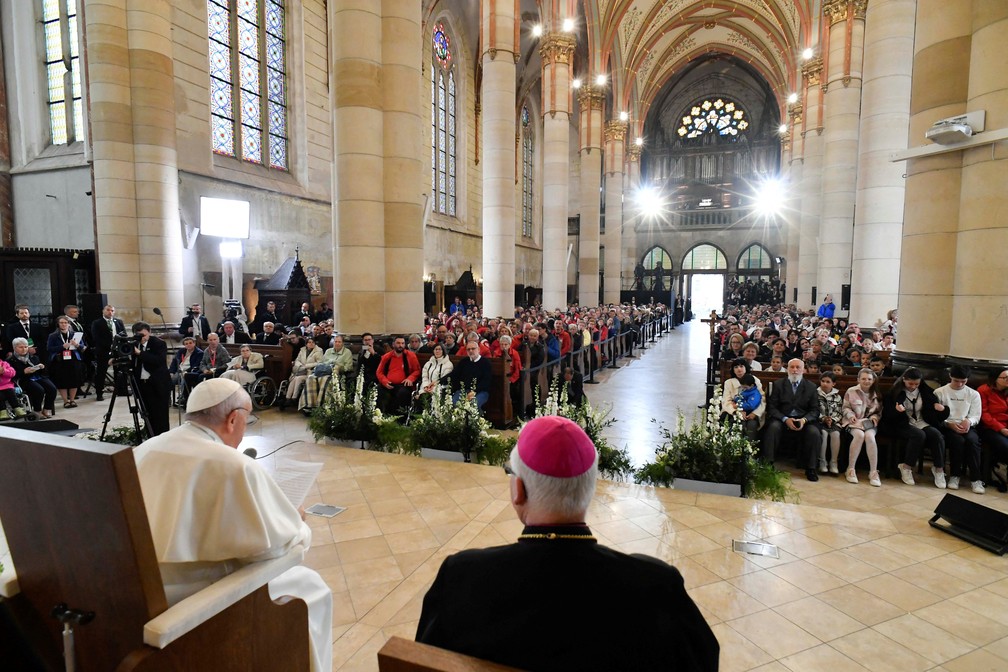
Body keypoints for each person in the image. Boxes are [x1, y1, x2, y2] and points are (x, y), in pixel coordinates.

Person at [415, 415, 719, 671]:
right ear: (590, 489)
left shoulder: (463, 577)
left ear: (518, 490)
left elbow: (424, 661)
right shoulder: (656, 586)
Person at [133, 378, 332, 672]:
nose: (243, 430)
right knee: (311, 586)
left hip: (142, 584)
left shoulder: (148, 448)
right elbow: (275, 550)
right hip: (196, 595)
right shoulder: (232, 464)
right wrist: (295, 520)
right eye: (246, 422)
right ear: (233, 418)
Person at [881, 367, 949, 488]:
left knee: (936, 435)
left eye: (916, 384)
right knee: (918, 435)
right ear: (904, 380)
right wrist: (897, 411)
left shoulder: (926, 392)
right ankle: (906, 467)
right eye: (910, 383)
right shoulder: (894, 393)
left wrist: (943, 409)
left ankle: (939, 469)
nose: (913, 386)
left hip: (921, 421)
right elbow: (887, 416)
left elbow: (938, 415)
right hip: (903, 424)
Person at [763, 358, 821, 481]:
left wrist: (804, 420)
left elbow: (815, 410)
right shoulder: (778, 384)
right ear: (787, 369)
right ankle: (768, 464)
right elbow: (772, 408)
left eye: (798, 367)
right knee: (773, 427)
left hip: (803, 420)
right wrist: (785, 419)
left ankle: (811, 469)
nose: (795, 370)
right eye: (792, 367)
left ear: (803, 370)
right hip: (782, 418)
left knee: (814, 432)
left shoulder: (811, 387)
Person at [935, 365, 985, 493]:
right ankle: (954, 475)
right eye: (956, 380)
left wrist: (968, 421)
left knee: (973, 442)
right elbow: (936, 416)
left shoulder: (973, 394)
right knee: (957, 441)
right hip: (948, 426)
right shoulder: (940, 392)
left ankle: (976, 479)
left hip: (967, 426)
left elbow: (976, 415)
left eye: (963, 381)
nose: (959, 384)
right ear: (950, 376)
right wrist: (948, 424)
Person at [842, 368, 883, 487]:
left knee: (870, 437)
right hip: (854, 421)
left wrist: (875, 417)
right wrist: (850, 415)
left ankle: (873, 472)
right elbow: (845, 407)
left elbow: (879, 411)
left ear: (873, 380)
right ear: (858, 379)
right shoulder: (851, 391)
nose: (866, 381)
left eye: (869, 379)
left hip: (869, 423)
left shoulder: (876, 393)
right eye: (863, 379)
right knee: (859, 436)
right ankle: (850, 469)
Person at [131, 321, 172, 436]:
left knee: (160, 415)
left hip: (158, 385)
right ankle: (150, 436)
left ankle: (162, 438)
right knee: (147, 414)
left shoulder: (159, 343)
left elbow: (158, 361)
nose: (141, 338)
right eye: (138, 335)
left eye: (143, 335)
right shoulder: (135, 343)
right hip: (142, 385)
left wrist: (139, 353)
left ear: (149, 332)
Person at [7, 337, 57, 417]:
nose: (24, 349)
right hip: (23, 380)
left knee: (52, 388)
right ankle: (37, 410)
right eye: (21, 347)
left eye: (26, 347)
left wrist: (41, 367)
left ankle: (47, 408)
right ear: (14, 348)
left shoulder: (33, 357)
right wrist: (23, 372)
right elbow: (10, 375)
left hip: (37, 377)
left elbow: (42, 373)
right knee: (39, 390)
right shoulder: (10, 360)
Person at [978, 368, 1008, 492]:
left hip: (1006, 426)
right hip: (990, 427)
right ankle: (998, 471)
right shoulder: (983, 390)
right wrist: (1001, 429)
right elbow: (984, 414)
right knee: (1005, 446)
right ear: (995, 378)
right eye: (1005, 377)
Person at [46, 315, 86, 408]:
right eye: (61, 323)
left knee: (74, 380)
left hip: (74, 359)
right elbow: (49, 348)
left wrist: (76, 345)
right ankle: (65, 401)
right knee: (62, 381)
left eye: (65, 323)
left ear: (69, 324)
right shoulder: (53, 336)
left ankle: (72, 400)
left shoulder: (75, 334)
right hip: (60, 360)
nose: (63, 324)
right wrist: (62, 346)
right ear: (58, 324)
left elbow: (83, 347)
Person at [722, 358, 765, 441]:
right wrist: (737, 411)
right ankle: (733, 449)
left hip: (752, 413)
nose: (739, 369)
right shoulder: (729, 382)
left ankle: (749, 450)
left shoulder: (755, 380)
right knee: (736, 423)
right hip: (733, 412)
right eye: (736, 367)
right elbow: (726, 401)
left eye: (741, 366)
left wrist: (755, 413)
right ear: (733, 370)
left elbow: (762, 399)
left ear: (746, 368)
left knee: (752, 425)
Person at [89, 304, 125, 401]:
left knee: (120, 370)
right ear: (103, 311)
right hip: (103, 351)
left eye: (112, 310)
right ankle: (99, 393)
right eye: (108, 310)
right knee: (101, 372)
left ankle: (121, 390)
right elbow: (96, 337)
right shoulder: (97, 323)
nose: (110, 312)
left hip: (117, 350)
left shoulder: (118, 322)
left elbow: (124, 334)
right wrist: (109, 345)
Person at [376, 336, 420, 414]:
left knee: (402, 394)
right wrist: (384, 381)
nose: (400, 345)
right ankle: (382, 417)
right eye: (398, 343)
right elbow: (379, 372)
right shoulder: (387, 357)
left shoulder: (411, 356)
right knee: (380, 392)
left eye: (402, 343)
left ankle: (400, 418)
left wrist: (410, 378)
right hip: (388, 384)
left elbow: (417, 370)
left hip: (403, 384)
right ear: (393, 344)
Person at [282, 336, 323, 409]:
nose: (311, 344)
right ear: (306, 344)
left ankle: (294, 397)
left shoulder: (319, 351)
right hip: (300, 370)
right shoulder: (302, 350)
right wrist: (300, 365)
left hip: (310, 372)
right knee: (294, 379)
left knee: (298, 379)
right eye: (309, 342)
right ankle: (288, 398)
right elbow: (297, 360)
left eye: (312, 342)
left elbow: (320, 363)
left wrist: (306, 366)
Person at [451, 340, 491, 410]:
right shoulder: (464, 362)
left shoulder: (485, 362)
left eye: (473, 348)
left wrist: (474, 392)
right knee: (454, 402)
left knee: (474, 404)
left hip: (480, 391)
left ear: (478, 349)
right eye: (468, 349)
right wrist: (438, 381)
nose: (471, 351)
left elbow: (486, 381)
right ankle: (459, 421)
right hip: (464, 390)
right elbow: (453, 374)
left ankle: (476, 421)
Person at [817, 372, 843, 474]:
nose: (825, 384)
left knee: (835, 434)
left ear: (833, 384)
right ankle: (822, 461)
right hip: (820, 421)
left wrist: (833, 419)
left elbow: (839, 411)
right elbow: (814, 409)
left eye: (828, 382)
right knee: (823, 434)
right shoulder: (816, 394)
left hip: (833, 422)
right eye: (823, 381)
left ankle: (833, 462)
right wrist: (823, 418)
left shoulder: (837, 397)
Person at [168, 336, 204, 407]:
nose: (188, 345)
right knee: (168, 379)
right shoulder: (181, 351)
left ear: (194, 343)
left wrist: (186, 371)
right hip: (179, 371)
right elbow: (175, 362)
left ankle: (183, 398)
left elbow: (196, 365)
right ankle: (168, 399)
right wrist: (171, 372)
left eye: (190, 343)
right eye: (186, 344)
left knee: (184, 378)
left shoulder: (199, 353)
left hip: (189, 371)